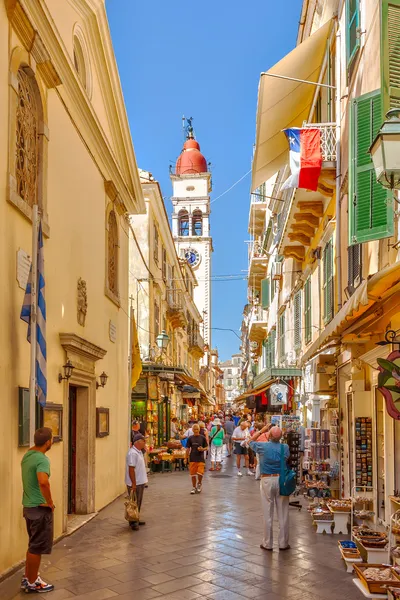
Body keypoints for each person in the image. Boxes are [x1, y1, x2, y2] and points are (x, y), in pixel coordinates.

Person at [21, 427, 55, 593]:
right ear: (48, 442)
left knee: (32, 545)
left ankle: (28, 577)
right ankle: (33, 582)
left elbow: (27, 481)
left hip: (28, 506)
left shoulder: (27, 456)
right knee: (37, 546)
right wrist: (49, 502)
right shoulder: (42, 459)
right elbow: (43, 481)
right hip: (39, 508)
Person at [250, 425, 290, 551]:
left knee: (267, 512)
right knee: (283, 513)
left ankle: (268, 543)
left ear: (270, 436)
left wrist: (262, 431)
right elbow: (286, 458)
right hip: (281, 480)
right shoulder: (285, 447)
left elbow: (250, 441)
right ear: (281, 437)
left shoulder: (263, 446)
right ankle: (283, 543)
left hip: (267, 479)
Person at [125, 433, 148, 530]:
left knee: (138, 502)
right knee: (134, 502)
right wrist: (133, 483)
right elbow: (131, 469)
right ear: (138, 442)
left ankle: (136, 518)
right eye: (143, 441)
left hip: (140, 481)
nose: (145, 443)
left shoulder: (138, 451)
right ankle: (133, 522)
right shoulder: (133, 453)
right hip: (136, 482)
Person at [186, 424, 208, 494]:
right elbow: (188, 449)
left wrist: (202, 449)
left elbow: (207, 447)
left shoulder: (202, 438)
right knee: (193, 474)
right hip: (192, 458)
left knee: (200, 473)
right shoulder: (190, 438)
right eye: (194, 429)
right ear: (192, 430)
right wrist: (186, 458)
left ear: (199, 430)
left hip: (200, 458)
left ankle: (199, 484)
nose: (196, 431)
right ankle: (193, 487)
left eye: (197, 429)